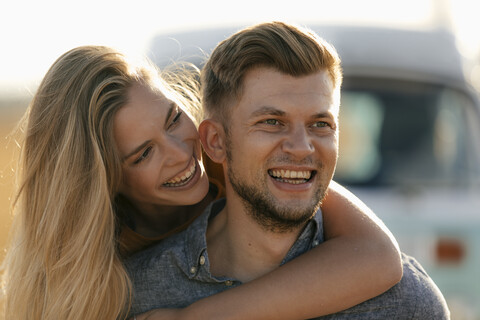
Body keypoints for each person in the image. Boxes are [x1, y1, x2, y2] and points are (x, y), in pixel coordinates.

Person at [1, 44, 402, 320]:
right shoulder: (103, 276)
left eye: (174, 118)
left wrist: (195, 316)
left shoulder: (234, 164)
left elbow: (377, 257)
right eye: (144, 154)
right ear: (103, 183)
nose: (180, 152)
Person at [125, 21, 451, 319]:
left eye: (320, 124)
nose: (301, 147)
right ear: (215, 141)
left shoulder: (404, 303)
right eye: (272, 122)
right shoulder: (137, 298)